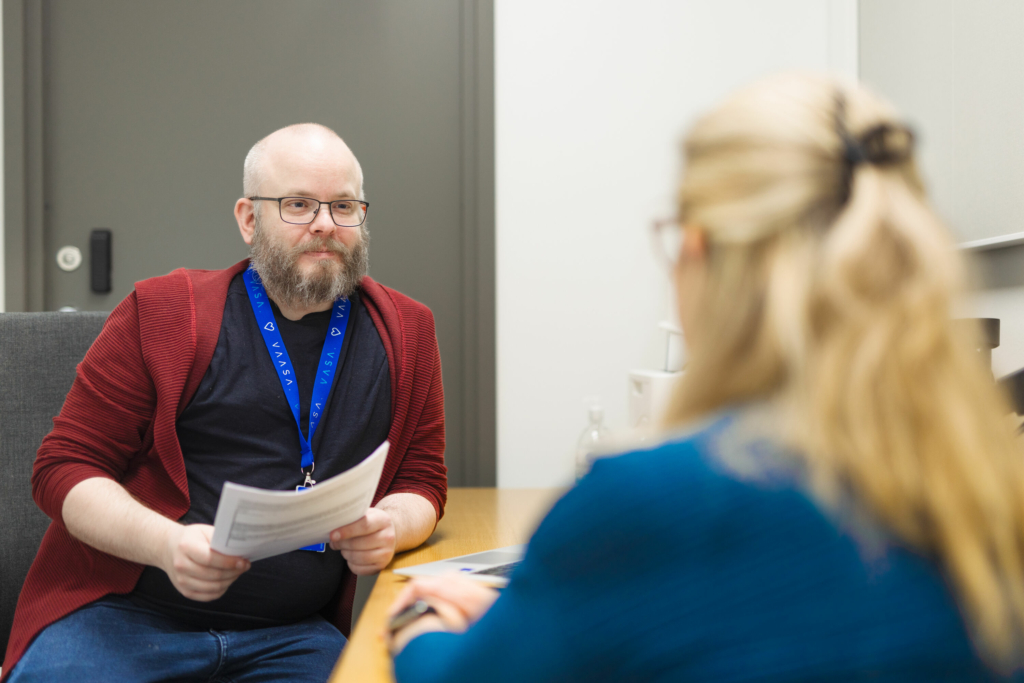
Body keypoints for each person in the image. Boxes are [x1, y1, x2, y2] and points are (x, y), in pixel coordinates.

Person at [386, 73, 1024, 681]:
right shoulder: (988, 496)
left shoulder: (651, 505)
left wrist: (423, 619)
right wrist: (541, 623)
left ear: (700, 253)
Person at [2, 123, 447, 682]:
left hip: (291, 634)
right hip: (124, 617)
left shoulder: (407, 330)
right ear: (247, 218)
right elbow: (64, 469)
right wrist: (166, 544)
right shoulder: (162, 312)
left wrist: (391, 524)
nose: (326, 225)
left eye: (344, 206)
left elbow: (423, 482)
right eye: (299, 204)